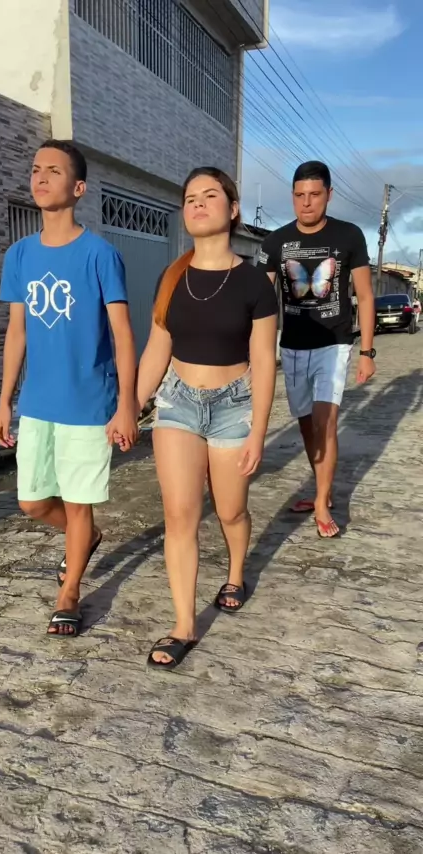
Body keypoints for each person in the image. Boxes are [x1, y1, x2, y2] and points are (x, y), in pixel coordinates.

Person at [130, 166, 278, 670]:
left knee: (231, 510)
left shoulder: (255, 282)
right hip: (177, 403)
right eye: (190, 197)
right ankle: (183, 624)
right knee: (180, 515)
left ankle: (235, 573)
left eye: (209, 195)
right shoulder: (172, 277)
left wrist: (258, 431)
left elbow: (263, 361)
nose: (196, 203)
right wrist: (131, 405)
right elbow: (157, 348)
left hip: (234, 405)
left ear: (232, 210)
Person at [0, 139, 137, 637]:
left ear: (77, 188)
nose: (41, 177)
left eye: (54, 171)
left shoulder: (100, 255)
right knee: (32, 502)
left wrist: (126, 404)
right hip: (37, 403)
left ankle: (70, 592)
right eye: (36, 169)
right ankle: (86, 538)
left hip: (89, 403)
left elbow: (122, 334)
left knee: (78, 502)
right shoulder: (19, 255)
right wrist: (4, 401)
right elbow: (17, 332)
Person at [259, 161, 376, 538]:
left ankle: (323, 502)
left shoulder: (349, 235)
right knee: (307, 426)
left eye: (314, 194)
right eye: (299, 195)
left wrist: (367, 352)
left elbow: (365, 295)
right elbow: (260, 298)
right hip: (293, 345)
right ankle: (319, 487)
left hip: (334, 343)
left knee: (325, 423)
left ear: (329, 195)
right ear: (292, 196)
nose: (306, 202)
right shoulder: (275, 242)